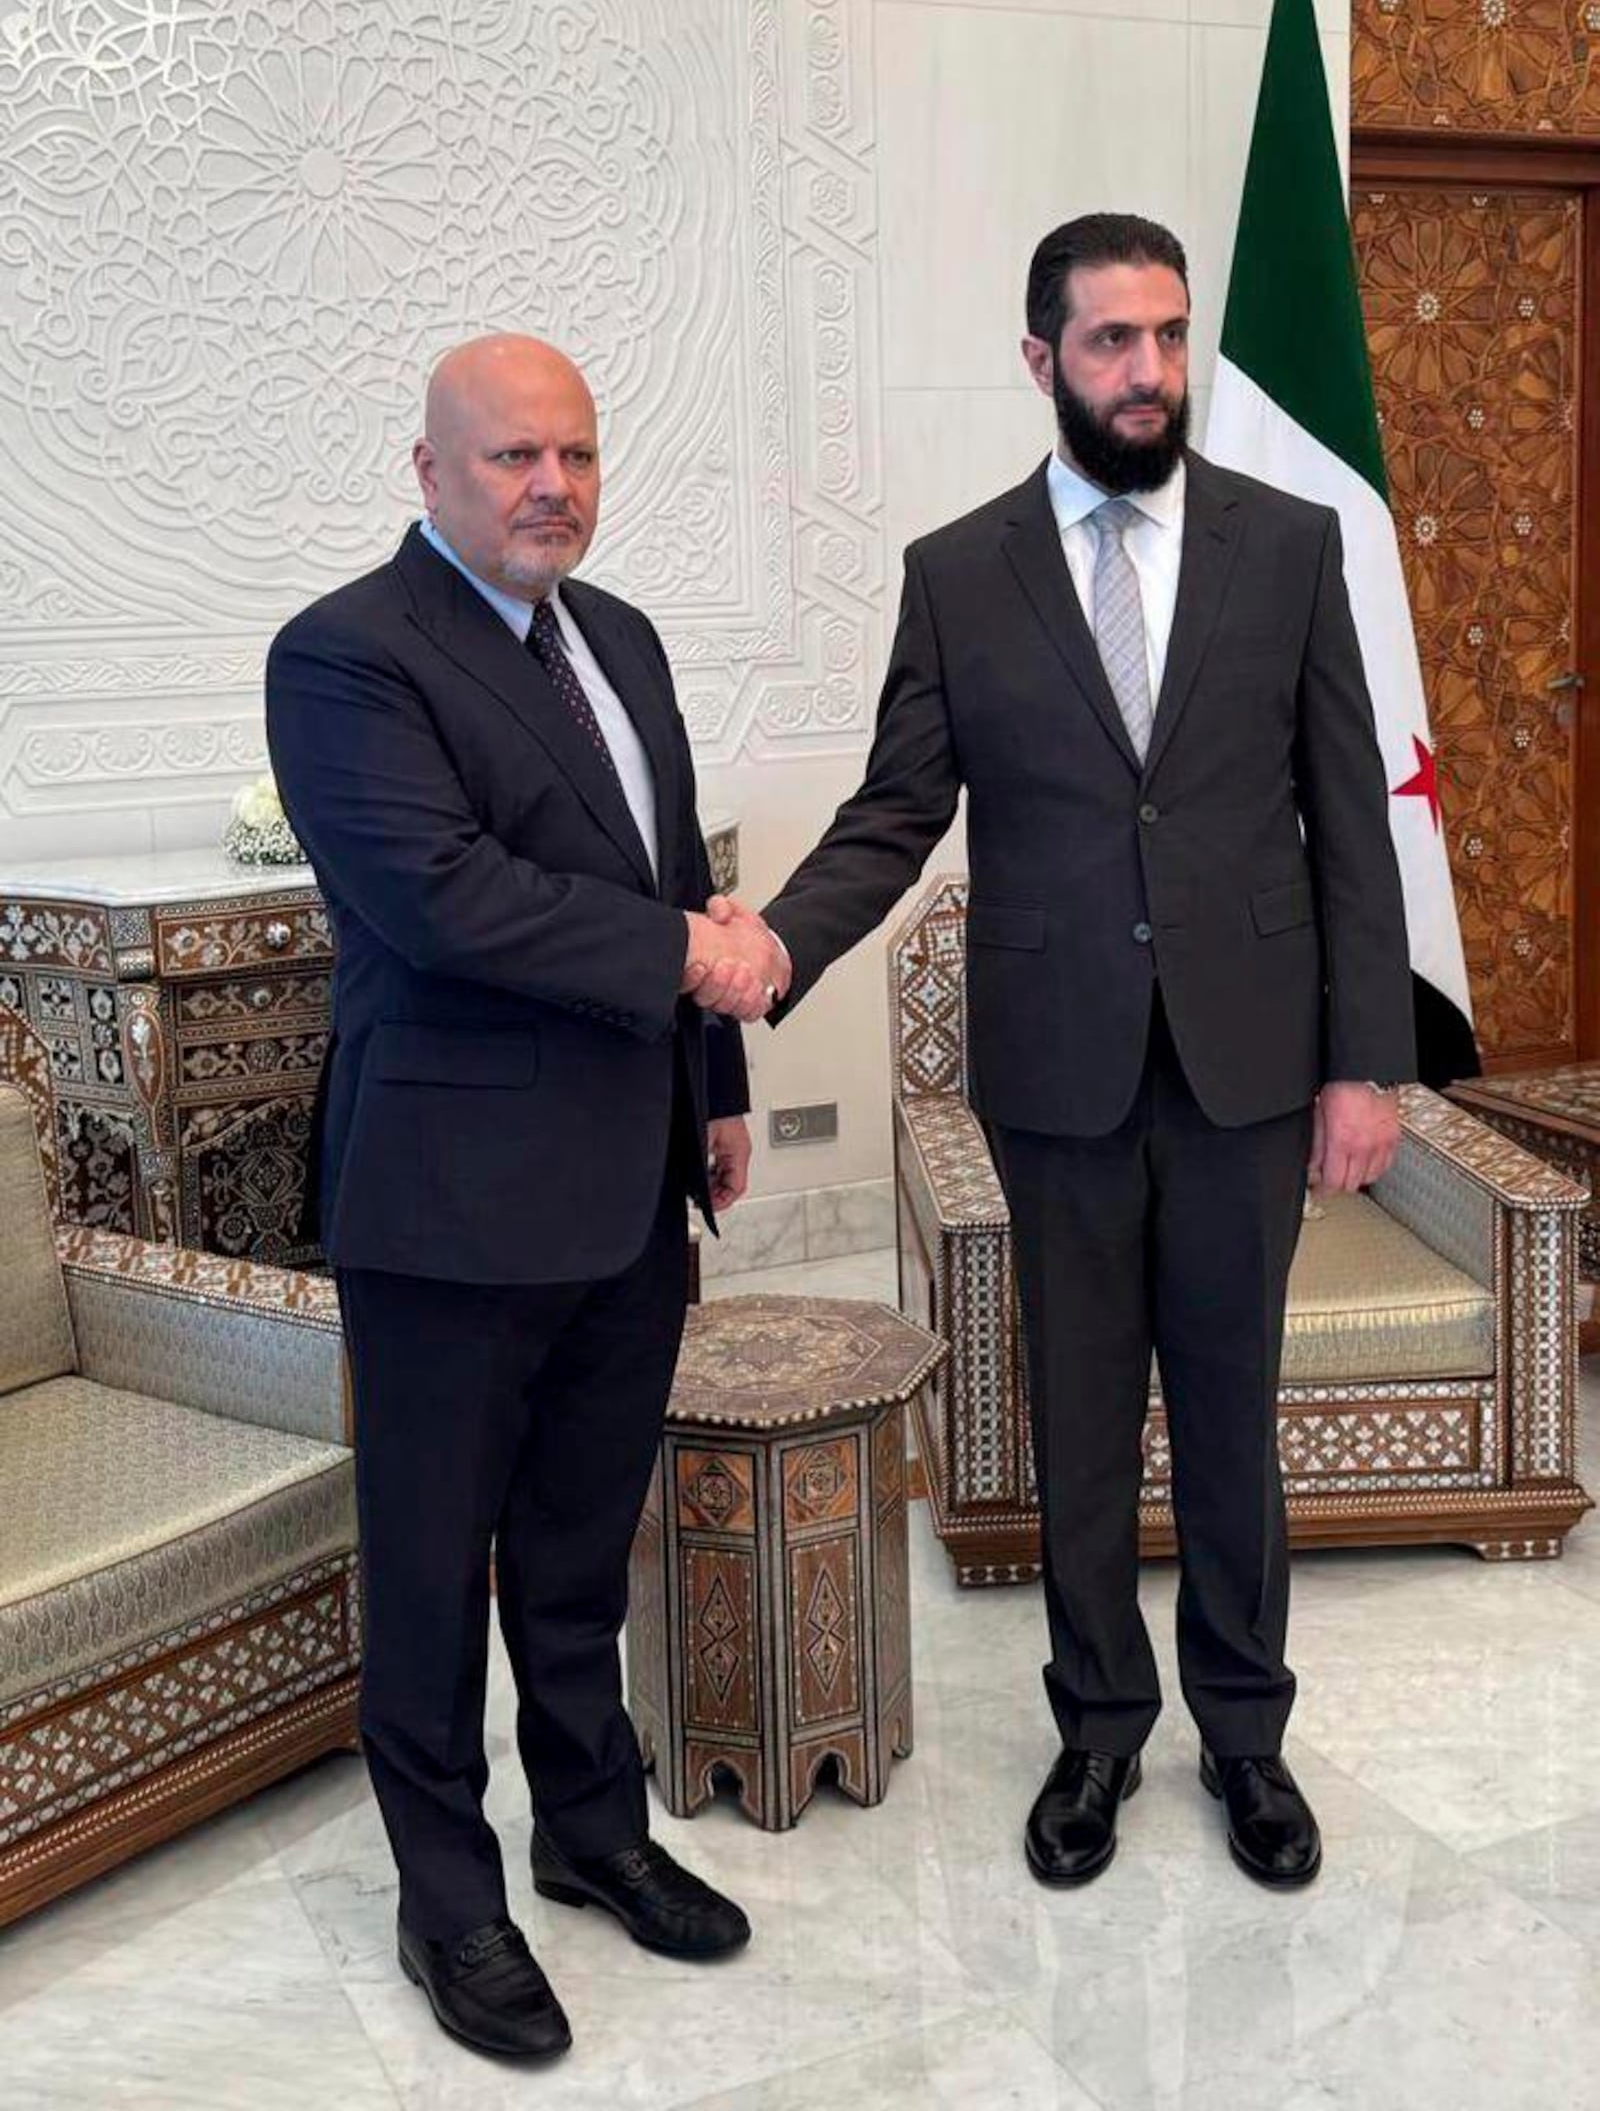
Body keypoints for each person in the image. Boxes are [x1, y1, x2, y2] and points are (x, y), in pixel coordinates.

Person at [726, 214, 1414, 1892]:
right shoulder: (962, 573)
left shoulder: (1291, 542)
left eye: (1169, 338)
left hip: (1252, 1061)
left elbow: (1348, 818)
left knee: (1237, 1417)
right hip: (1066, 1072)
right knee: (1081, 1414)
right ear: (1041, 358)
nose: (1149, 373)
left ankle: (1245, 1736)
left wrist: (1364, 1062)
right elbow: (900, 807)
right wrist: (781, 944)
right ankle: (1098, 1730)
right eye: (1112, 342)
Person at [266, 334, 790, 2062]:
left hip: (631, 1188)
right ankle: (451, 1904)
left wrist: (710, 1095)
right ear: (428, 472)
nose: (550, 484)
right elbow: (445, 899)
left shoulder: (619, 637)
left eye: (573, 454)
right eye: (510, 459)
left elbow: (663, 859)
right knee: (432, 1573)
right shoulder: (346, 657)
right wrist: (688, 965)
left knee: (577, 1548)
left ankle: (593, 1832)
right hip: (448, 1204)